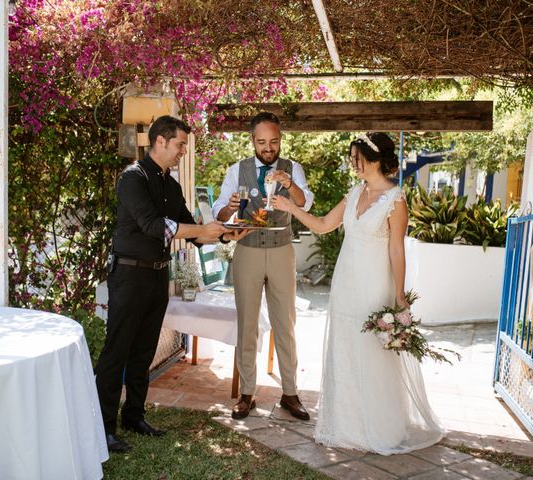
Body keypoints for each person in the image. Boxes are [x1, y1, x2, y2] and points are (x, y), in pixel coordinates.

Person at [271, 132, 443, 454]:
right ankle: (345, 425)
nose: (354, 164)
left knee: (372, 354)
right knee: (345, 350)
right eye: (353, 158)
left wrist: (400, 296)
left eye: (357, 158)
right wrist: (289, 208)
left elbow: (396, 250)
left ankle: (377, 428)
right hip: (345, 283)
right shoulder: (354, 192)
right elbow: (322, 224)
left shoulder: (396, 199)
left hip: (374, 286)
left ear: (376, 159)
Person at [95, 115, 239, 453]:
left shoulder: (171, 185)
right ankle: (103, 429)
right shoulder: (131, 178)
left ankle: (134, 417)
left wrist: (226, 231)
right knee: (117, 352)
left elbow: (192, 229)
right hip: (128, 276)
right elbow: (152, 225)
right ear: (160, 141)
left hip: (158, 275)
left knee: (144, 349)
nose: (183, 152)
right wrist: (201, 231)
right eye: (180, 145)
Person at [212, 112, 314, 420]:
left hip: (282, 249)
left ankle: (290, 393)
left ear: (280, 139)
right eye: (262, 142)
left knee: (286, 323)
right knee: (247, 323)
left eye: (274, 141)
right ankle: (247, 393)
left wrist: (289, 184)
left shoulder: (292, 167)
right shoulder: (236, 170)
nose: (268, 148)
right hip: (248, 250)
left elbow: (306, 202)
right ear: (252, 140)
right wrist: (228, 207)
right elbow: (219, 212)